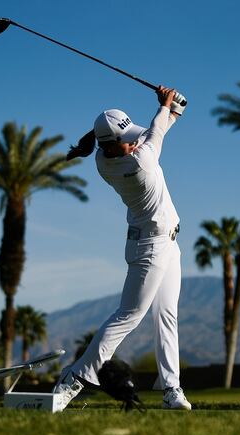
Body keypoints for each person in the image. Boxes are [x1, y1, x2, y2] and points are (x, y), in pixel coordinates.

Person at [55, 85, 191, 411]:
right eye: (127, 137)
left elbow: (158, 126)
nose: (133, 139)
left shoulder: (106, 156)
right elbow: (157, 130)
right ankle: (73, 380)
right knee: (128, 316)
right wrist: (167, 105)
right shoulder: (138, 162)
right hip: (150, 246)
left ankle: (172, 390)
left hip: (168, 243)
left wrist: (174, 107)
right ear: (116, 145)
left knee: (167, 317)